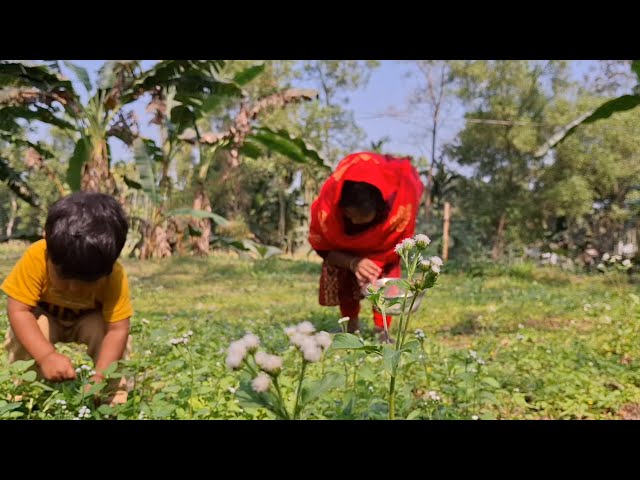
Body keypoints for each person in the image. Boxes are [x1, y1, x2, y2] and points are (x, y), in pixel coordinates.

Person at [1, 192, 133, 405]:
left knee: (107, 336)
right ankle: (23, 394)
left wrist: (99, 378)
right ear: (47, 241)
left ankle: (111, 399)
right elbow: (18, 310)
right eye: (64, 276)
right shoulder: (37, 257)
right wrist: (46, 356)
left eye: (86, 281)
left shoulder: (114, 275)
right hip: (45, 317)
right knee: (29, 329)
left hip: (89, 320)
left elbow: (117, 330)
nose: (73, 288)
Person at [309, 151, 424, 342]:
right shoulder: (328, 210)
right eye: (350, 215)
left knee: (386, 282)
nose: (355, 220)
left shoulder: (398, 210)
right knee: (343, 275)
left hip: (383, 254)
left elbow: (398, 247)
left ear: (378, 209)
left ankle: (383, 331)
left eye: (362, 216)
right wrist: (353, 263)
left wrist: (374, 265)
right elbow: (323, 248)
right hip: (345, 256)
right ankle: (351, 328)